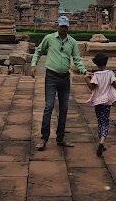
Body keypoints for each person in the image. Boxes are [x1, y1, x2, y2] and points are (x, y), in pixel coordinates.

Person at [29, 15, 88, 150]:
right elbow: (38, 51)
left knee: (64, 108)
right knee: (49, 107)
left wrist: (84, 71)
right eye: (61, 26)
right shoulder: (49, 38)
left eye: (65, 26)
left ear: (68, 27)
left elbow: (77, 59)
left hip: (65, 78)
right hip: (51, 76)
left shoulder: (72, 42)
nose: (63, 29)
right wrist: (33, 65)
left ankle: (60, 138)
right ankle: (44, 138)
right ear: (58, 26)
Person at [85, 52, 116, 157]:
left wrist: (86, 79)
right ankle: (101, 142)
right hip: (107, 101)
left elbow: (92, 88)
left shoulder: (96, 75)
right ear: (106, 62)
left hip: (97, 101)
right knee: (105, 121)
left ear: (96, 63)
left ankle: (101, 143)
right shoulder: (110, 73)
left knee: (100, 120)